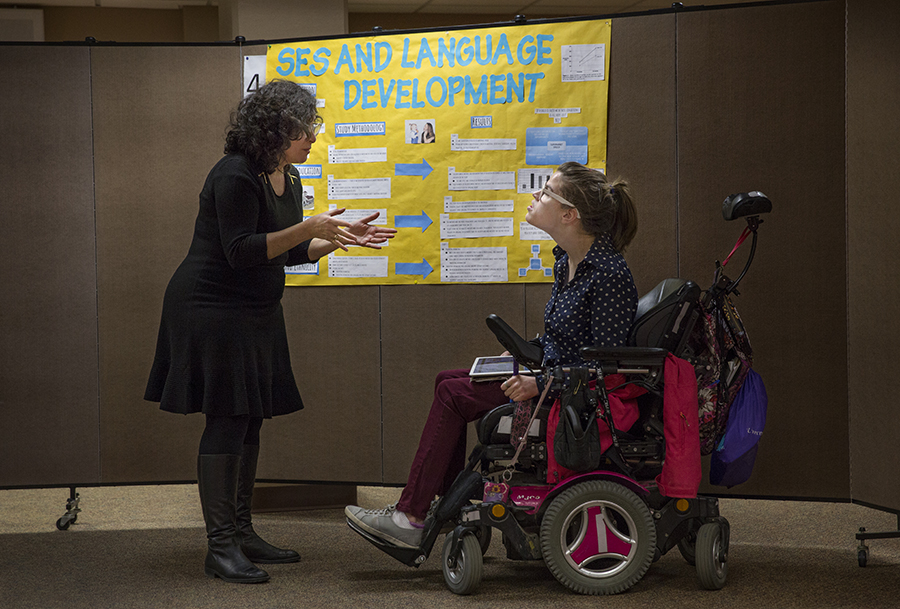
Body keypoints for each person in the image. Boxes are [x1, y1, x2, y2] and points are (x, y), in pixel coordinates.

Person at [144, 80, 395, 584]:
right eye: (305, 129)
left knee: (252, 416)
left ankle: (241, 530)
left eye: (313, 128)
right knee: (228, 418)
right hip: (210, 306)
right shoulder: (234, 174)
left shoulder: (291, 175)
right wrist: (310, 228)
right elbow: (240, 251)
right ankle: (220, 547)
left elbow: (287, 251)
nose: (312, 139)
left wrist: (339, 240)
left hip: (254, 309)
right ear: (274, 128)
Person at [345, 162, 638, 549]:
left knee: (454, 394)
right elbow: (569, 338)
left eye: (547, 192)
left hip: (570, 396)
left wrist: (540, 383)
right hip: (550, 376)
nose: (536, 195)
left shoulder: (608, 274)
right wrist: (524, 351)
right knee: (446, 381)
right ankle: (445, 504)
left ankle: (410, 518)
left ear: (570, 215)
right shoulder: (568, 260)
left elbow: (608, 368)